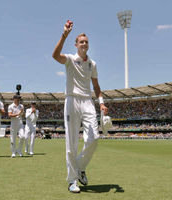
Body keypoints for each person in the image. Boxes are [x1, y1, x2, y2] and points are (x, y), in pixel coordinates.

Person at [52, 20, 108, 193]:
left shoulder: (92, 64)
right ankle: (72, 180)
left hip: (88, 102)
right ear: (76, 45)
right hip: (72, 100)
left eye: (86, 42)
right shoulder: (70, 59)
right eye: (81, 42)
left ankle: (80, 167)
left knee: (94, 139)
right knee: (72, 143)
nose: (84, 44)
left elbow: (97, 88)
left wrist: (102, 103)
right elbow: (55, 55)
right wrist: (64, 34)